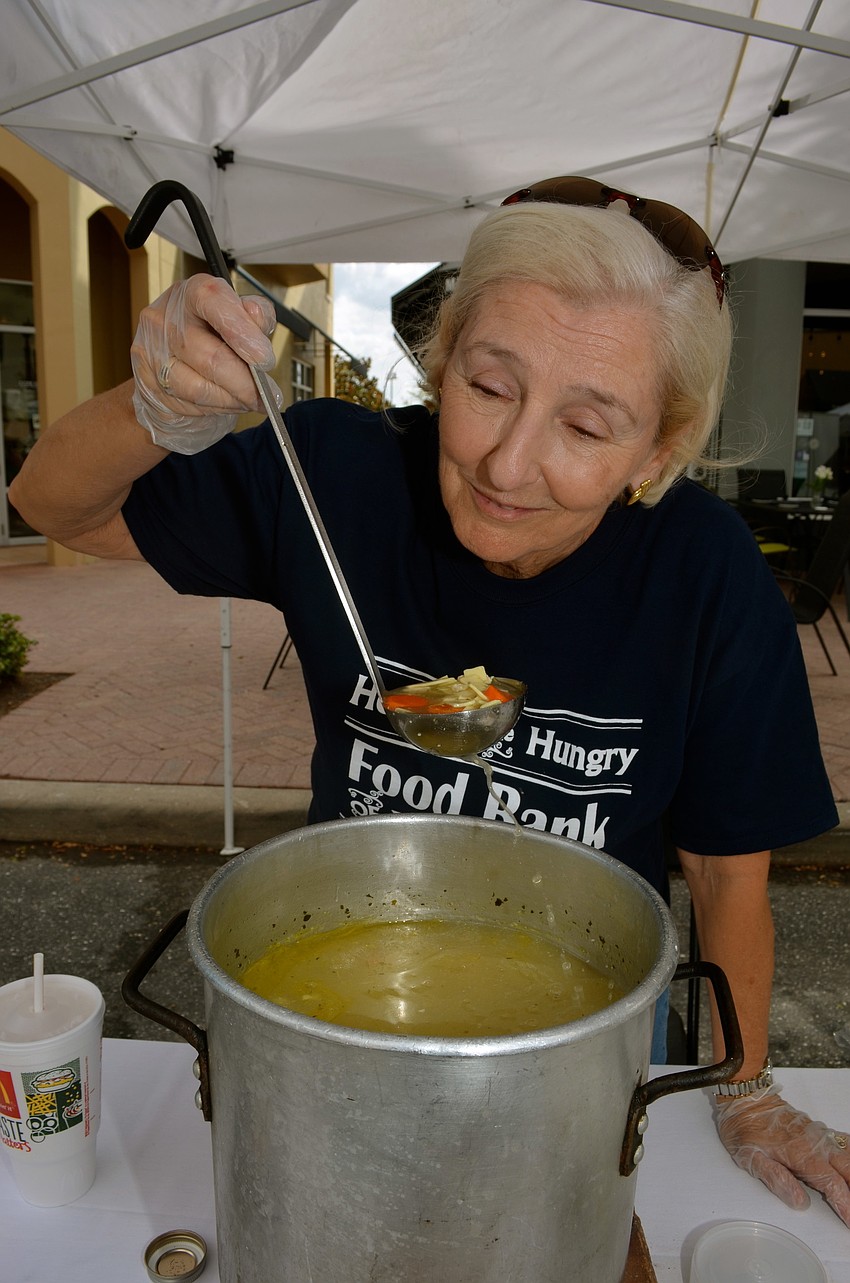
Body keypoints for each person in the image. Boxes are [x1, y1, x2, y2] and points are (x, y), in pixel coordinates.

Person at [10, 175, 850, 1225]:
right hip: (334, 999)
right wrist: (154, 406)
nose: (508, 463)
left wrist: (742, 1087)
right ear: (443, 353)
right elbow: (50, 503)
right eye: (489, 386)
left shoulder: (704, 572)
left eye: (587, 426)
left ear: (658, 452)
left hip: (586, 1039)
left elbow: (727, 873)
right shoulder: (336, 472)